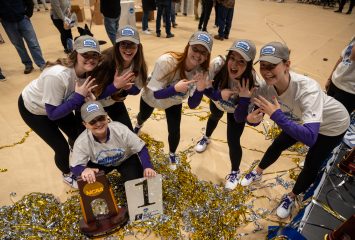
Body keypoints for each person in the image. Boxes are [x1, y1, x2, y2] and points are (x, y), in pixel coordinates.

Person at [240, 42, 350, 219]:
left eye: (272, 66)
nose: (267, 71)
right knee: (277, 145)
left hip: (333, 125)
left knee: (312, 162)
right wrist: (251, 120)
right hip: (300, 120)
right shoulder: (266, 88)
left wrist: (277, 116)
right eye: (263, 66)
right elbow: (251, 115)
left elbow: (310, 138)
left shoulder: (308, 89)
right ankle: (257, 172)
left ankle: (291, 197)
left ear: (287, 65)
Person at [18, 36, 101, 188]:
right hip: (35, 110)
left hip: (60, 103)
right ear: (76, 54)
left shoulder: (87, 73)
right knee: (61, 148)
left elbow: (75, 104)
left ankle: (74, 151)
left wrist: (87, 102)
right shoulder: (57, 75)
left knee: (78, 135)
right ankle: (67, 175)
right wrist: (78, 98)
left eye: (94, 55)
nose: (90, 59)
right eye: (85, 54)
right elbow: (53, 115)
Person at [134, 31, 213, 170]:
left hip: (173, 102)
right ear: (188, 46)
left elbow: (192, 104)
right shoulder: (167, 61)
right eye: (195, 49)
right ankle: (139, 125)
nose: (198, 55)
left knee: (174, 129)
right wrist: (174, 89)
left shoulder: (201, 72)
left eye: (203, 52)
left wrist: (200, 90)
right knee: (143, 116)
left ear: (207, 56)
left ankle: (172, 153)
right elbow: (156, 94)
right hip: (152, 97)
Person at [194, 40, 258, 190]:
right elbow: (204, 89)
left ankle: (234, 171)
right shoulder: (218, 65)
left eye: (241, 61)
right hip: (218, 102)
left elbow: (242, 118)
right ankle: (206, 137)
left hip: (237, 111)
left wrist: (243, 100)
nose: (234, 65)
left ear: (249, 64)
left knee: (233, 139)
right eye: (232, 58)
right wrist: (218, 95)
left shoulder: (253, 82)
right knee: (214, 117)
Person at [70, 101, 157, 184]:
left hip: (126, 159)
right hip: (100, 164)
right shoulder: (81, 142)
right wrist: (83, 170)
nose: (98, 124)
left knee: (136, 184)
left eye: (101, 118)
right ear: (85, 124)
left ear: (106, 116)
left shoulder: (121, 129)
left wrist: (147, 166)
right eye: (92, 122)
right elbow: (74, 166)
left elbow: (141, 147)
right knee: (88, 179)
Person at [91, 25, 148, 131]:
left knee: (128, 132)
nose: (128, 49)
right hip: (94, 104)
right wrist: (115, 86)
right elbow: (93, 95)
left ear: (138, 46)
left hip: (114, 102)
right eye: (123, 44)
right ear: (117, 46)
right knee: (93, 136)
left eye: (132, 45)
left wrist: (128, 88)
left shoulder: (138, 65)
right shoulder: (104, 61)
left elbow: (136, 90)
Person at [0, 0, 46, 74]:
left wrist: (28, 14)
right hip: (8, 22)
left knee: (33, 43)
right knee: (18, 45)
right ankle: (28, 64)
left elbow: (29, 2)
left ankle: (41, 63)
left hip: (23, 19)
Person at [326, 36, 355, 114]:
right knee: (324, 112)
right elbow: (342, 58)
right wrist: (330, 78)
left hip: (348, 91)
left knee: (335, 119)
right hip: (335, 82)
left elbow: (353, 56)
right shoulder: (353, 37)